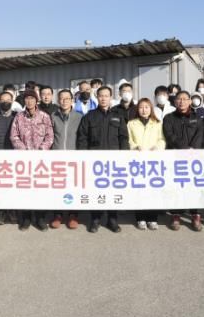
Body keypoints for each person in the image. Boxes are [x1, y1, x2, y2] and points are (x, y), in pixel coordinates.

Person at [77, 85, 129, 233]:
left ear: (111, 98)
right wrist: (83, 157)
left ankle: (112, 219)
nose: (104, 98)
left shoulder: (118, 116)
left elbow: (123, 137)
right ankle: (95, 219)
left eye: (106, 96)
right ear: (97, 97)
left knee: (113, 190)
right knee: (95, 190)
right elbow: (82, 138)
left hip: (114, 162)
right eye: (101, 96)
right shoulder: (89, 116)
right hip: (95, 162)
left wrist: (124, 156)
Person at [162, 91, 204, 231]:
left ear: (190, 101)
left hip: (193, 158)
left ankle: (195, 215)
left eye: (184, 99)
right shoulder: (169, 118)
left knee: (194, 187)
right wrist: (185, 148)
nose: (181, 102)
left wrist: (193, 149)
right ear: (175, 101)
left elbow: (200, 135)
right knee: (176, 187)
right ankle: (176, 215)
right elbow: (169, 136)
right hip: (175, 157)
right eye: (179, 99)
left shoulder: (197, 118)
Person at [10, 90, 54, 231]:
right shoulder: (19, 117)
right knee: (25, 189)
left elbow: (50, 136)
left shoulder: (44, 116)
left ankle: (40, 218)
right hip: (24, 160)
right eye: (27, 98)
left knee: (40, 189)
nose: (29, 101)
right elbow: (14, 136)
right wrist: (23, 150)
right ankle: (26, 218)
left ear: (36, 100)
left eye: (32, 98)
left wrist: (42, 150)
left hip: (41, 161)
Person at [128, 98, 165, 230]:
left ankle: (152, 218)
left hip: (153, 161)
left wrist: (157, 148)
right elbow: (129, 140)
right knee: (139, 190)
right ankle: (140, 218)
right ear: (137, 109)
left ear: (151, 109)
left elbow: (162, 139)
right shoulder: (131, 123)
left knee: (153, 190)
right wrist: (134, 147)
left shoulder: (157, 123)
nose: (144, 110)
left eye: (147, 107)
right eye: (141, 107)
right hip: (137, 161)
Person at [50, 89, 83, 229]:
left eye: (67, 98)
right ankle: (57, 214)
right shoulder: (53, 116)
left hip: (73, 158)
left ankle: (73, 215)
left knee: (73, 187)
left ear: (72, 100)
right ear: (58, 100)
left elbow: (82, 137)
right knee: (58, 187)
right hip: (57, 157)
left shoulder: (79, 117)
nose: (64, 101)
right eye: (62, 98)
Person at [0, 91, 18, 225]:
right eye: (2, 100)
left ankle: (11, 211)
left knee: (12, 185)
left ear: (12, 101)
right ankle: (1, 211)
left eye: (8, 100)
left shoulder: (17, 116)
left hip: (13, 155)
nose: (5, 102)